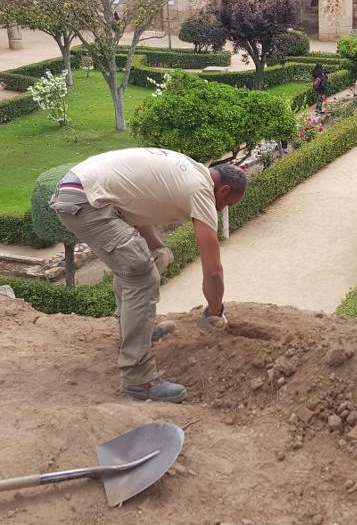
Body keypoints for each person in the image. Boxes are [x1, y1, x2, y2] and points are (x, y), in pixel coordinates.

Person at [49, 149, 246, 403]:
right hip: (86, 202)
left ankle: (138, 331)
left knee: (139, 262)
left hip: (81, 190)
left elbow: (135, 206)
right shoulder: (201, 192)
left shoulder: (189, 170)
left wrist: (157, 247)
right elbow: (213, 270)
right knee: (140, 274)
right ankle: (139, 378)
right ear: (224, 191)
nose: (221, 210)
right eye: (227, 205)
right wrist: (215, 311)